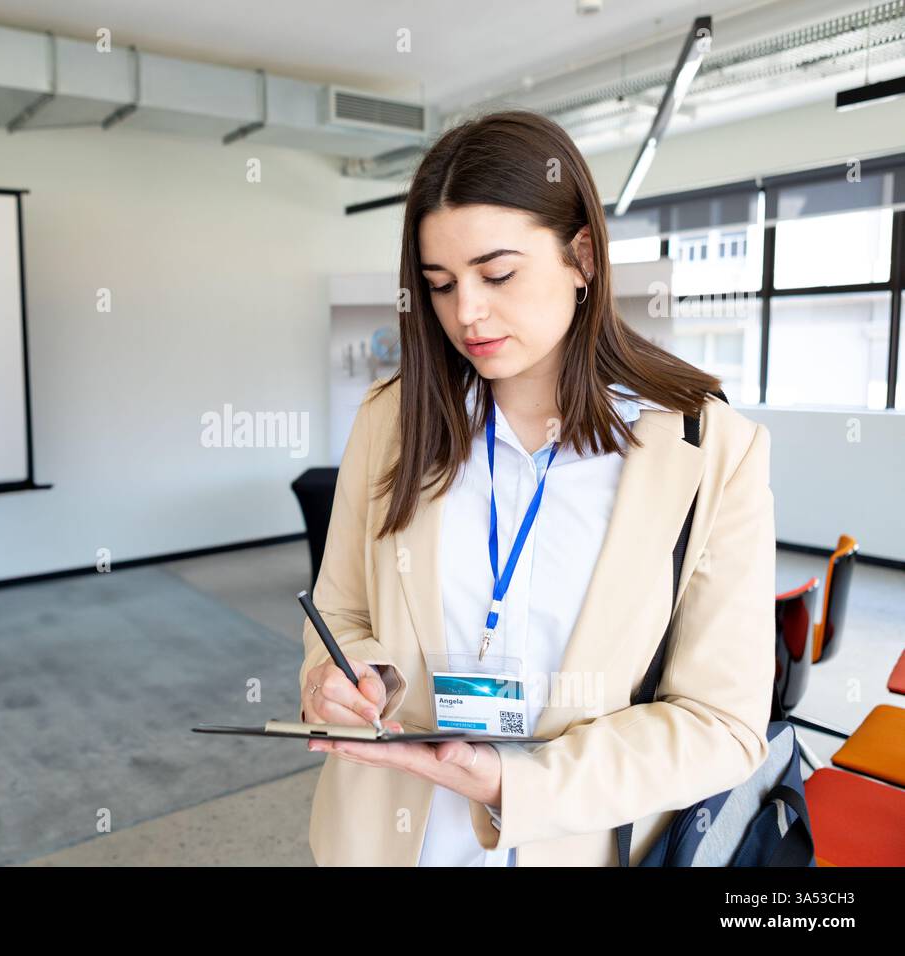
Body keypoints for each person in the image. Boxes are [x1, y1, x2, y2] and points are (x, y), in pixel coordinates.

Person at [298, 109, 776, 866]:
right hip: (389, 841)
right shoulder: (392, 421)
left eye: (498, 274)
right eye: (440, 284)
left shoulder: (710, 450)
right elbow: (342, 609)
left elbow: (723, 724)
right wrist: (352, 676)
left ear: (583, 256)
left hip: (581, 844)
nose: (466, 313)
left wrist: (515, 783)